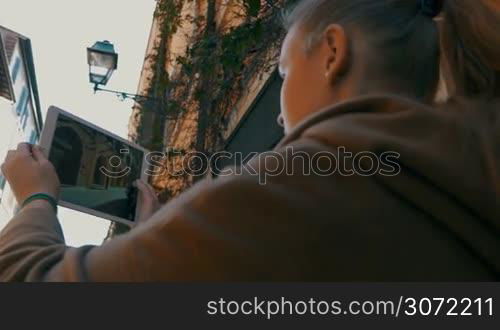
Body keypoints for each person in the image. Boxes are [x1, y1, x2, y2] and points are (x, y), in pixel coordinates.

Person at [0, 0, 499, 281]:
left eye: (283, 72)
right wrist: (157, 235)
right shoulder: (465, 156)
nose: (281, 115)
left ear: (331, 53)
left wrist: (37, 197)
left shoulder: (305, 184)